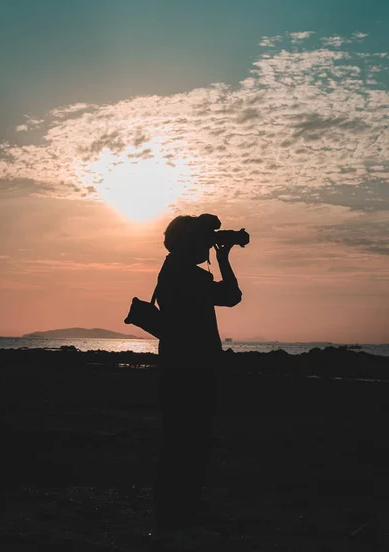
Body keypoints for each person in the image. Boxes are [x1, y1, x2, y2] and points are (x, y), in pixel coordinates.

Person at [152, 214, 242, 549]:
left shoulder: (173, 271)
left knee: (183, 446)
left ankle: (177, 517)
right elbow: (232, 295)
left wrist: (212, 243)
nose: (207, 246)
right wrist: (223, 258)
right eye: (203, 242)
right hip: (190, 373)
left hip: (180, 371)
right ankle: (177, 520)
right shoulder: (185, 275)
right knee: (187, 447)